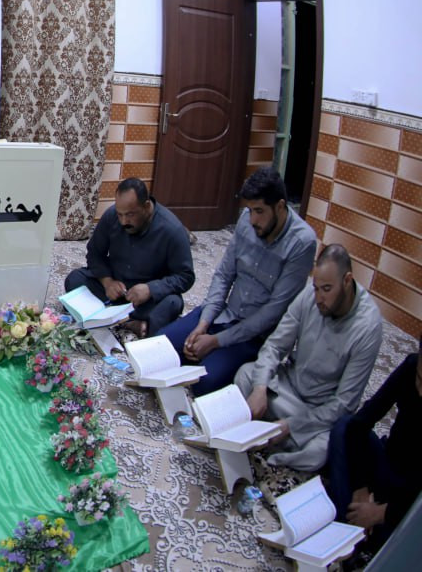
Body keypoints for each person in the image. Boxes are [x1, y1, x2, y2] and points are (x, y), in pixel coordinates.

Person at [161, 167, 317, 396]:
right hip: (225, 314)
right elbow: (224, 275)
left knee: (203, 382)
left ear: (280, 206)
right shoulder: (247, 220)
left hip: (255, 335)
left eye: (259, 211)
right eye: (249, 210)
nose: (252, 219)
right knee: (159, 347)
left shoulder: (302, 242)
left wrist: (216, 341)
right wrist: (204, 323)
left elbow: (273, 312)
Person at [232, 244, 382, 471]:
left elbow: (344, 403)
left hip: (318, 411)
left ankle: (274, 456)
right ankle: (274, 440)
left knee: (322, 450)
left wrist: (291, 425)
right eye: (316, 288)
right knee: (246, 374)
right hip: (288, 388)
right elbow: (275, 346)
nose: (319, 297)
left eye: (327, 289)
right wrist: (260, 388)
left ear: (347, 280)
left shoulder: (368, 327)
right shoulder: (309, 296)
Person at [63, 178, 193, 337]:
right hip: (115, 290)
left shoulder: (172, 230)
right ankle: (131, 322)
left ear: (146, 206)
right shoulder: (111, 216)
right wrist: (107, 282)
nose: (124, 221)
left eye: (130, 215)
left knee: (172, 303)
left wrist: (151, 289)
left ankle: (119, 318)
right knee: (75, 279)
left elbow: (185, 276)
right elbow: (95, 253)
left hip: (145, 299)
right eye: (120, 215)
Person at [324, 334, 421, 548]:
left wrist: (382, 513)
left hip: (413, 497)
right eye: (420, 379)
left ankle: (355, 528)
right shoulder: (411, 365)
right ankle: (353, 525)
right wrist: (360, 489)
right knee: (343, 427)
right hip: (389, 463)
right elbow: (360, 424)